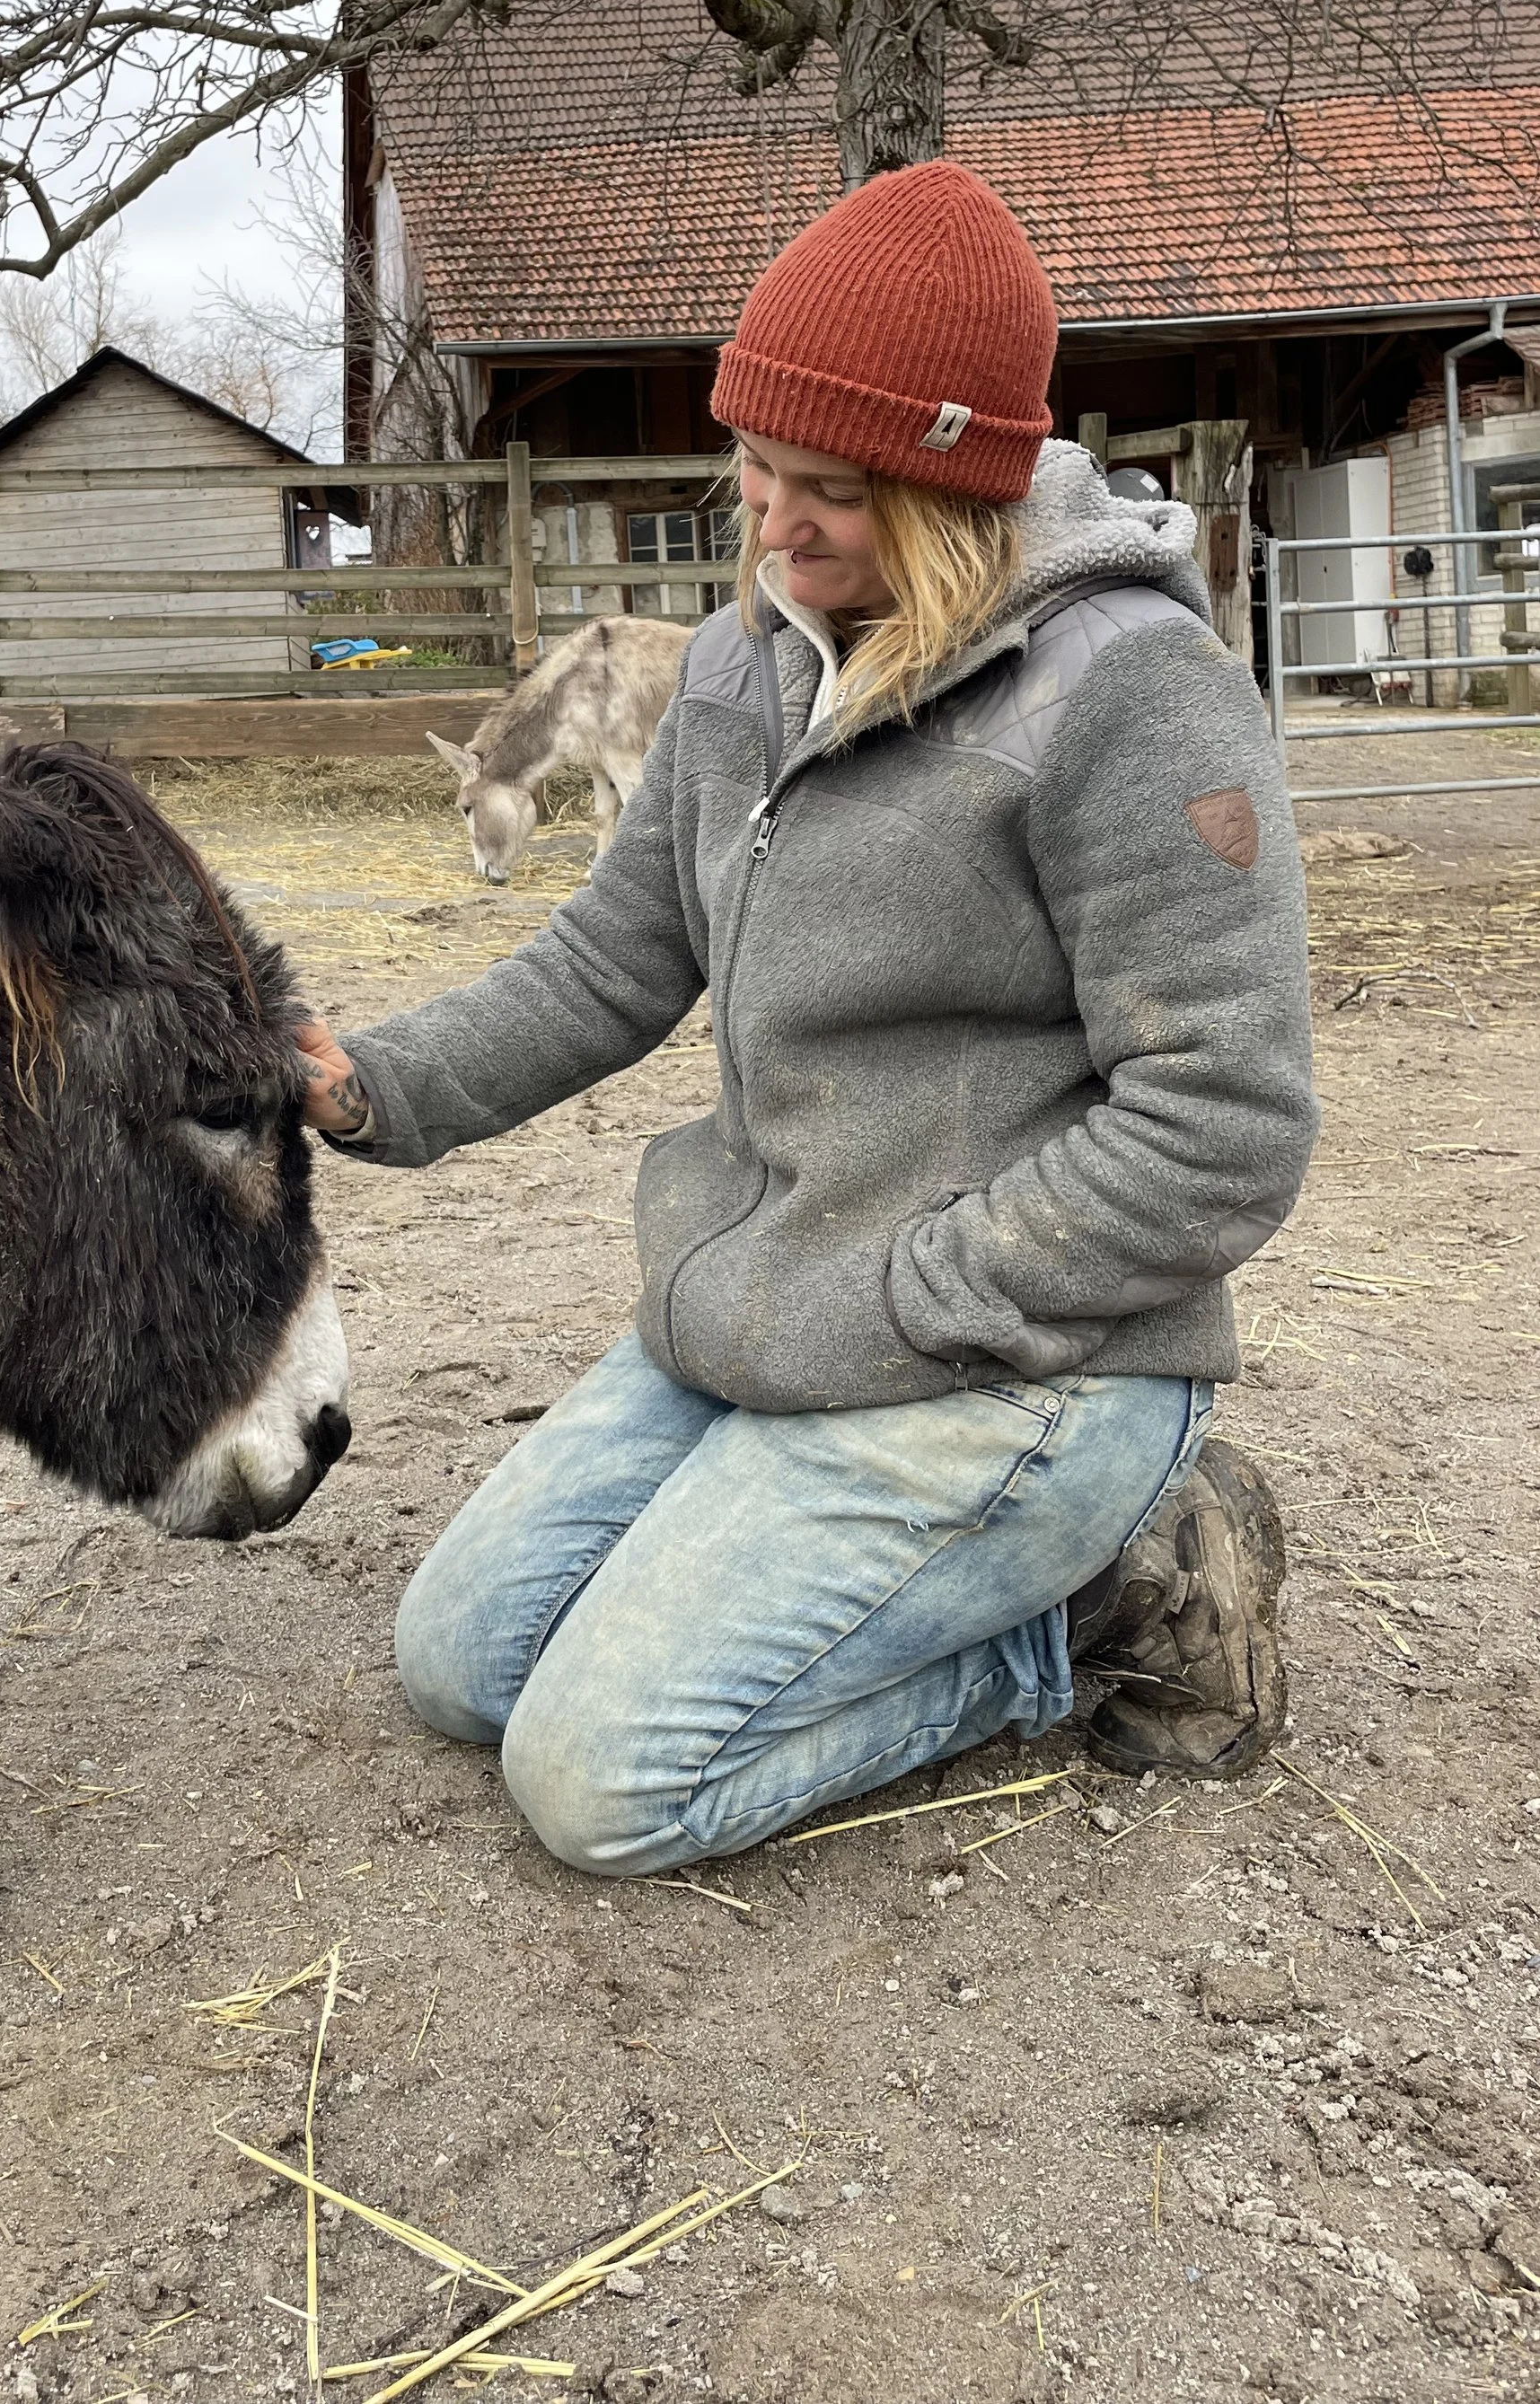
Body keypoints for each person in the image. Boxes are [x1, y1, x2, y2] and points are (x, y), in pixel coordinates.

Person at [293, 159, 1317, 1882]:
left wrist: (918, 1296)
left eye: (825, 489)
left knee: (599, 1785)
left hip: (1020, 1359)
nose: (769, 526)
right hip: (774, 1314)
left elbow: (1224, 1129)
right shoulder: (748, 664)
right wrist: (367, 1084)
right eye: (755, 466)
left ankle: (1110, 1606)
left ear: (947, 486)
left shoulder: (1131, 693)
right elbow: (617, 961)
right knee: (457, 1664)